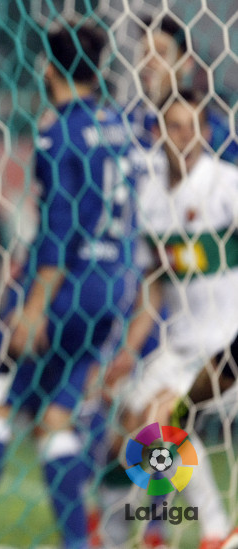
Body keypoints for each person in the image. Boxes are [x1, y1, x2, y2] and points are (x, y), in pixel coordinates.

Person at [0, 20, 140, 549]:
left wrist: (33, 307)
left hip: (62, 290)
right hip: (111, 289)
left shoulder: (58, 130)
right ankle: (78, 543)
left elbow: (60, 228)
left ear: (47, 69)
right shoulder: (121, 126)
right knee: (58, 418)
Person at [99, 88, 238, 549]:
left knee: (162, 418)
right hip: (179, 350)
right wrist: (125, 351)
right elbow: (152, 292)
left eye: (196, 126)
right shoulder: (151, 199)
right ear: (158, 132)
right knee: (123, 437)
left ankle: (214, 530)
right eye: (176, 126)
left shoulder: (227, 186)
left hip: (227, 351)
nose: (187, 136)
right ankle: (120, 534)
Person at [131, 15, 238, 162]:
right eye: (145, 53)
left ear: (187, 63)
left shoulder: (212, 127)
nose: (149, 61)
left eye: (161, 52)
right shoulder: (126, 120)